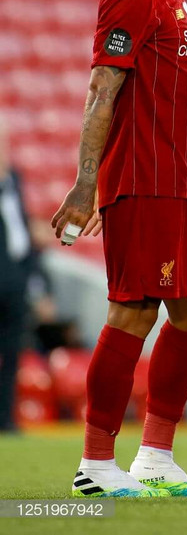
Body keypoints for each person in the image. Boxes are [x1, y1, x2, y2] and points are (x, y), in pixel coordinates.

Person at [51, 0, 187, 498]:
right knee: (134, 311)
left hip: (181, 182)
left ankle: (154, 457)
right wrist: (84, 183)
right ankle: (94, 466)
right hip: (144, 179)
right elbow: (103, 90)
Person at [0, 120, 39, 433]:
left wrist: (36, 281)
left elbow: (23, 235)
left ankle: (6, 420)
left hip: (15, 284)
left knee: (12, 354)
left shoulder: (14, 179)